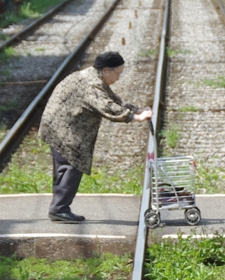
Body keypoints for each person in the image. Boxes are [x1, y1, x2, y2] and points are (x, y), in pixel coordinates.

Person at [39, 51, 153, 223]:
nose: (118, 78)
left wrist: (135, 109)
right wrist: (134, 117)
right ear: (107, 70)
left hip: (62, 127)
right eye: (118, 73)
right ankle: (59, 209)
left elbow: (112, 99)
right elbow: (105, 106)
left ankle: (59, 207)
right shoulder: (91, 84)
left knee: (67, 166)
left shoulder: (93, 78)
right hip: (63, 129)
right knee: (71, 166)